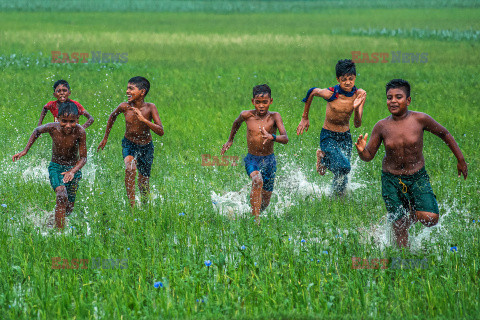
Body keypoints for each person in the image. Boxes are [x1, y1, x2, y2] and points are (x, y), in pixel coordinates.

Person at [355, 79, 468, 247]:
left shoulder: (420, 119)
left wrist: (460, 159)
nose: (393, 101)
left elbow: (444, 134)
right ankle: (403, 261)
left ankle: (409, 215)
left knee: (431, 218)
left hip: (417, 177)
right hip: (390, 180)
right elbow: (368, 156)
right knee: (399, 226)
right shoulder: (382, 126)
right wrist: (362, 151)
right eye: (389, 97)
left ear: (408, 100)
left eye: (398, 97)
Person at [297, 59, 367, 196]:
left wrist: (357, 107)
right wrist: (304, 117)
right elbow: (312, 91)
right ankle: (322, 158)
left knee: (343, 175)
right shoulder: (331, 93)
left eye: (351, 79)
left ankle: (334, 198)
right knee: (345, 167)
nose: (348, 82)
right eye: (344, 79)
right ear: (338, 79)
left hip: (345, 137)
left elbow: (357, 124)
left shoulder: (359, 95)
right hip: (328, 136)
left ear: (355, 78)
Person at [13, 101, 87, 229]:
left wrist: (72, 171)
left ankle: (54, 220)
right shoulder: (53, 128)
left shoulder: (80, 132)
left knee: (69, 208)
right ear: (58, 119)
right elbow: (37, 130)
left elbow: (83, 158)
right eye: (64, 121)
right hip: (56, 167)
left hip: (73, 169)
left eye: (72, 122)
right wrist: (25, 150)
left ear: (77, 119)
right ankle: (60, 233)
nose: (68, 125)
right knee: (61, 194)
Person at [221, 84, 288, 223]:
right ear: (253, 102)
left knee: (265, 201)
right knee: (257, 181)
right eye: (258, 102)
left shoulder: (275, 117)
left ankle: (253, 211)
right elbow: (236, 123)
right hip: (252, 159)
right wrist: (230, 140)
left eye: (265, 102)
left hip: (269, 161)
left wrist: (272, 137)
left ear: (271, 101)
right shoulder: (246, 115)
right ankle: (255, 221)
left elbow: (285, 138)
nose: (261, 106)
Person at [97, 76, 164, 208]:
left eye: (131, 88)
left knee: (143, 182)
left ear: (142, 92)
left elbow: (161, 131)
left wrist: (144, 120)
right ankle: (132, 206)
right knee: (130, 169)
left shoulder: (150, 108)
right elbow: (112, 116)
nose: (127, 91)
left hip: (146, 147)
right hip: (129, 144)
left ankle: (145, 205)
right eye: (127, 88)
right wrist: (105, 137)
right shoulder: (124, 106)